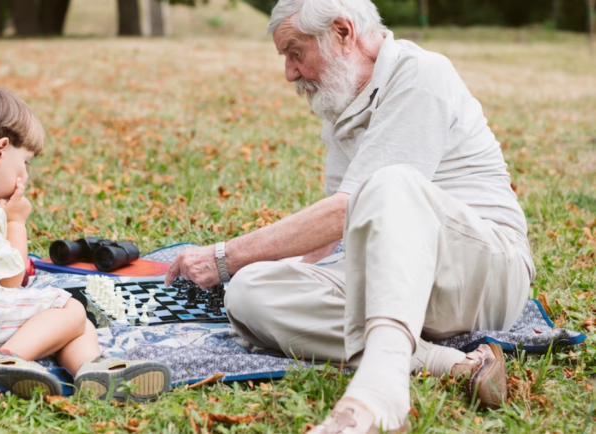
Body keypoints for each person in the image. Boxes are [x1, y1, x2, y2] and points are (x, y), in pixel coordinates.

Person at [165, 0, 534, 432]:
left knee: (390, 183)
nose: (289, 72)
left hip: (484, 273)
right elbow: (331, 233)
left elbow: (347, 208)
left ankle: (378, 395)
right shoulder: (340, 103)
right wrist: (275, 274)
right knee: (249, 292)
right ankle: (446, 361)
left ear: (342, 32)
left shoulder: (420, 75)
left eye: (295, 52)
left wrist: (224, 257)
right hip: (403, 277)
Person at [0, 85, 171, 402]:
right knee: (68, 307)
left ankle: (93, 369)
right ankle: (4, 359)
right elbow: (12, 280)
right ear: (0, 150)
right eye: (25, 162)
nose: (25, 176)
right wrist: (16, 221)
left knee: (71, 323)